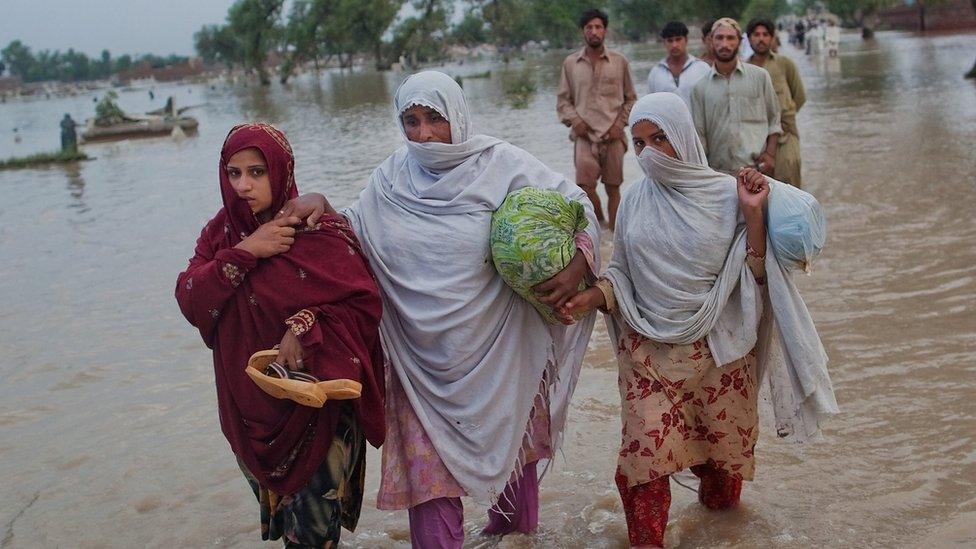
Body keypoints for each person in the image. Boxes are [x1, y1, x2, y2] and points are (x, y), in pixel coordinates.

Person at [279, 71, 601, 548]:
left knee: (514, 483)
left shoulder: (503, 164)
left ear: (459, 117)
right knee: (428, 488)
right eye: (411, 121)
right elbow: (351, 235)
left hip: (499, 352)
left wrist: (577, 265)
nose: (424, 134)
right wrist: (322, 205)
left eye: (435, 119)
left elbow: (576, 205)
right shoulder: (390, 178)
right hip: (418, 364)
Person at [560, 92, 838, 547]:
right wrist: (591, 297)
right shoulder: (632, 202)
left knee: (719, 469)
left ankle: (722, 536)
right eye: (641, 143)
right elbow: (623, 276)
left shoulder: (729, 197)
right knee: (642, 463)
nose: (651, 153)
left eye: (661, 138)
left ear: (686, 138)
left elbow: (756, 277)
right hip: (648, 352)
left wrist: (753, 216)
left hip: (719, 353)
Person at [174, 123, 386, 547]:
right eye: (233, 173)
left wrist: (305, 327)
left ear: (281, 170)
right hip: (249, 407)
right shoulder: (220, 236)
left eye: (257, 172)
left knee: (311, 537)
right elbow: (191, 300)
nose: (243, 185)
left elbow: (364, 302)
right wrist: (248, 250)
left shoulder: (314, 227)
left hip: (318, 410)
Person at [557, 8, 638, 231]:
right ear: (583, 32)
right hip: (584, 136)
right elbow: (563, 102)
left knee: (613, 187)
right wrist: (576, 122)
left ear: (605, 30)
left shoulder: (619, 61)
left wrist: (619, 124)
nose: (594, 31)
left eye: (598, 27)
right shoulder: (571, 64)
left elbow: (631, 99)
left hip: (613, 135)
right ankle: (600, 225)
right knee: (584, 187)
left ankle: (616, 235)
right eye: (589, 27)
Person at [691, 18, 782, 178]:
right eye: (719, 38)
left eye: (730, 38)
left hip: (756, 171)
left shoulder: (760, 77)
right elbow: (699, 135)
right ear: (711, 41)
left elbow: (774, 120)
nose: (725, 43)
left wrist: (770, 155)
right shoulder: (700, 88)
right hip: (719, 175)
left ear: (739, 42)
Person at [747, 17, 807, 187]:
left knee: (790, 177)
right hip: (755, 137)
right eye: (756, 34)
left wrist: (783, 116)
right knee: (759, 187)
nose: (761, 38)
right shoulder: (744, 69)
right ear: (749, 38)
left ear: (772, 38)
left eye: (765, 34)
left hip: (785, 134)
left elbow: (799, 96)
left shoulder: (784, 64)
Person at [645, 21, 711, 109]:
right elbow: (650, 106)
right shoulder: (656, 73)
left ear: (686, 40)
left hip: (696, 122)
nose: (674, 45)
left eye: (678, 39)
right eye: (670, 40)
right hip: (666, 122)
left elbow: (711, 102)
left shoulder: (702, 69)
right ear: (664, 43)